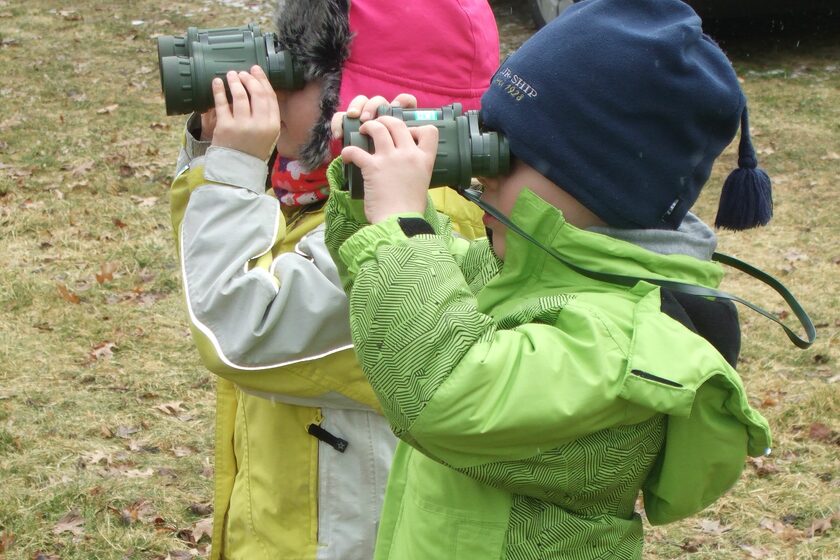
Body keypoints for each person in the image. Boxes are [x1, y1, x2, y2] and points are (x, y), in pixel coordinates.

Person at [322, 0, 775, 558]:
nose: (484, 171)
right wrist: (367, 196)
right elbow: (414, 292)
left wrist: (401, 223)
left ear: (597, 184)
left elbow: (442, 390)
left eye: (506, 153)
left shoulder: (621, 342)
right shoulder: (526, 268)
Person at [167, 1, 498, 558]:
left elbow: (243, 330)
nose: (268, 89)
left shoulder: (406, 226)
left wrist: (229, 170)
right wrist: (211, 152)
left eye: (291, 72)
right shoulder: (327, 189)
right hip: (300, 518)